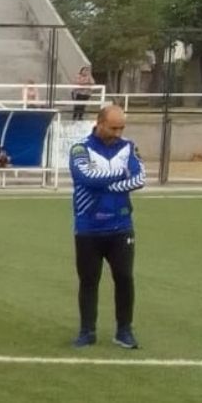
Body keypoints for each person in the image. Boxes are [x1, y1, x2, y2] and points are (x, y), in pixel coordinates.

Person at [69, 105, 145, 349]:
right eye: (113, 127)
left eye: (121, 127)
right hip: (88, 226)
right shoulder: (80, 148)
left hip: (121, 225)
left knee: (124, 278)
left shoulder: (129, 147)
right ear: (99, 123)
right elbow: (85, 178)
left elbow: (139, 179)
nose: (118, 132)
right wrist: (119, 175)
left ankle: (124, 331)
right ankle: (87, 331)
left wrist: (106, 182)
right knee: (89, 280)